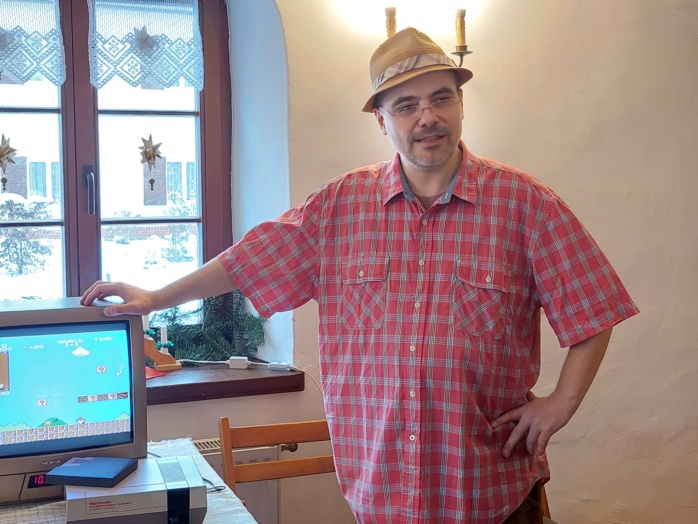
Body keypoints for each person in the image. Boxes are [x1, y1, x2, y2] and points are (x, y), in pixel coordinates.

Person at [82, 28, 639, 524]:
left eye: (441, 98)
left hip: (492, 492)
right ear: (382, 119)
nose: (427, 117)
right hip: (381, 493)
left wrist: (560, 403)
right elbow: (247, 261)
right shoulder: (338, 207)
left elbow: (595, 308)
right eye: (406, 105)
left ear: (461, 104)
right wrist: (156, 296)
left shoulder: (527, 205)